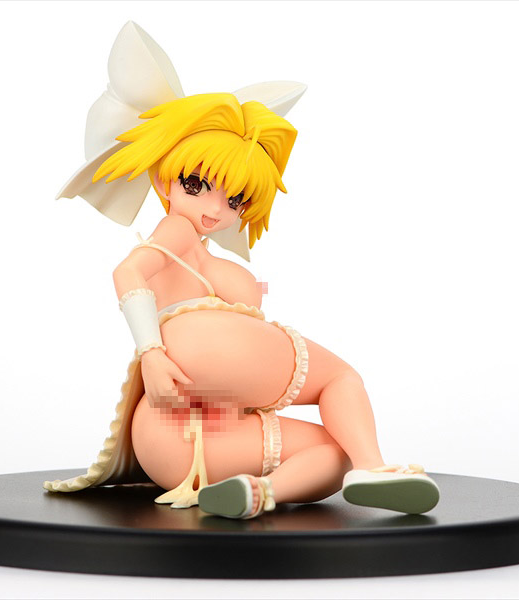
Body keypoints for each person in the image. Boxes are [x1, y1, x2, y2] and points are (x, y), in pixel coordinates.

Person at [44, 23, 439, 520]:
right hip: (195, 364)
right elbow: (128, 271)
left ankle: (257, 493)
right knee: (341, 378)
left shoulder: (195, 245)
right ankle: (373, 467)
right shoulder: (176, 230)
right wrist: (151, 353)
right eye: (197, 184)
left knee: (332, 451)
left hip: (170, 444)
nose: (215, 209)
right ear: (164, 179)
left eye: (235, 200)